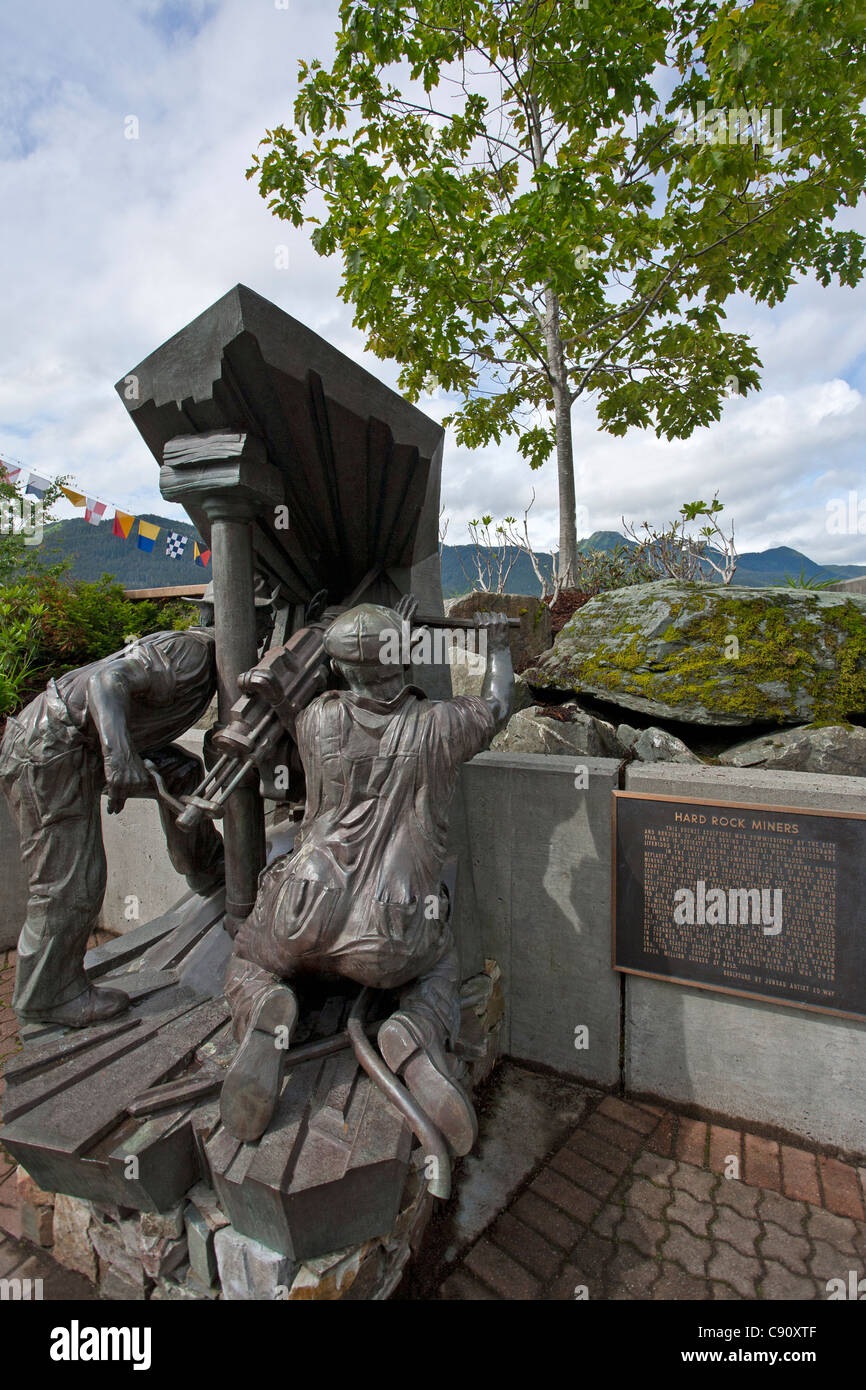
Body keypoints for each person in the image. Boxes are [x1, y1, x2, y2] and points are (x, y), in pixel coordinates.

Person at [220, 602, 513, 1153]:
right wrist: (497, 644)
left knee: (246, 958)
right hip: (389, 930)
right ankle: (415, 1031)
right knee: (440, 965)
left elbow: (314, 691)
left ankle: (263, 1005)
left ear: (339, 668)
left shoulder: (315, 720)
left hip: (302, 911)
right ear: (402, 660)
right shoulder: (439, 726)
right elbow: (496, 704)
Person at [0, 585, 274, 1028]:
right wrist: (119, 753)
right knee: (72, 882)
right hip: (52, 749)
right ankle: (46, 997)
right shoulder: (189, 652)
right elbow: (106, 682)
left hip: (77, 743)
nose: (262, 635)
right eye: (260, 624)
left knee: (181, 772)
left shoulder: (210, 665)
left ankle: (208, 870)